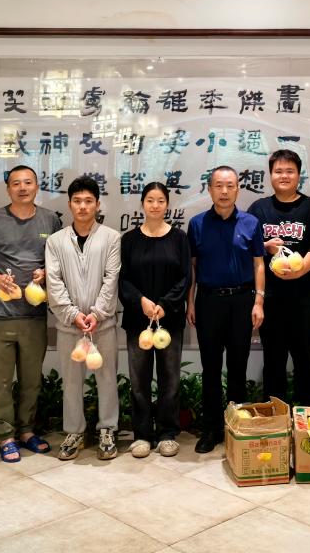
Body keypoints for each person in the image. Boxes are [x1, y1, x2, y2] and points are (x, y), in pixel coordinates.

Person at [0, 165, 61, 463]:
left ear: (37, 186)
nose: (22, 188)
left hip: (34, 314)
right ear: (8, 188)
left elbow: (60, 260)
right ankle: (5, 435)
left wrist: (45, 272)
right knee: (0, 381)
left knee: (32, 380)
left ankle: (26, 431)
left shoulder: (50, 219)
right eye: (16, 183)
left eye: (28, 182)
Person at [187, 166, 265, 454]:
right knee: (210, 368)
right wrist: (190, 302)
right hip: (208, 302)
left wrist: (259, 301)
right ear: (209, 189)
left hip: (242, 301)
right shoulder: (196, 224)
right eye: (218, 185)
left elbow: (259, 264)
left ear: (238, 189)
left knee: (237, 366)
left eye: (230, 185)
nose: (224, 191)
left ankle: (237, 427)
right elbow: (192, 267)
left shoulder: (251, 223)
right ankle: (210, 429)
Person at [247, 149, 310, 406]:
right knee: (273, 362)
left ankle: (309, 420)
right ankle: (275, 418)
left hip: (303, 301)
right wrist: (265, 247)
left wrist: (297, 270)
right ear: (270, 175)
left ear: (299, 175)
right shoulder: (259, 208)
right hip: (270, 301)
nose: (284, 176)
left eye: (289, 171)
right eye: (278, 171)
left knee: (305, 361)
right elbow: (247, 247)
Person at [45, 175, 121, 461]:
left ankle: (107, 429)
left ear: (98, 204)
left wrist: (97, 314)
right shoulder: (56, 241)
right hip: (69, 326)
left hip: (103, 325)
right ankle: (74, 431)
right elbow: (53, 282)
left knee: (106, 378)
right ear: (69, 205)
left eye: (89, 201)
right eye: (77, 201)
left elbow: (111, 278)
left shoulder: (111, 238)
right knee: (71, 381)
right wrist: (73, 315)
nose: (83, 206)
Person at [119, 182, 191, 459]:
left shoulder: (179, 238)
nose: (155, 205)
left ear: (167, 205)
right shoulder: (129, 240)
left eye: (161, 200)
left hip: (169, 320)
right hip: (138, 321)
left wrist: (164, 305)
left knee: (169, 379)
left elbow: (185, 278)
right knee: (139, 380)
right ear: (142, 204)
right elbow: (123, 279)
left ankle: (167, 433)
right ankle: (141, 435)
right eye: (150, 200)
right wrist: (141, 301)